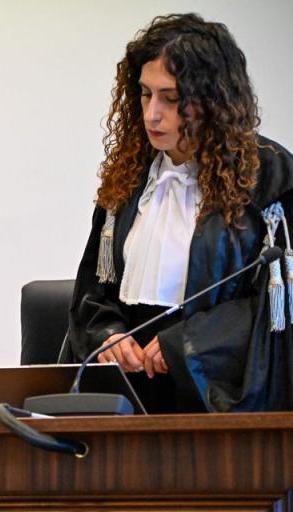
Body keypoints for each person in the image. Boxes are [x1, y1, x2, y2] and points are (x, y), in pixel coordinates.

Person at [68, 14, 293, 412]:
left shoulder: (270, 174)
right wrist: (107, 335)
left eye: (171, 99)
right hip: (128, 392)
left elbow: (278, 302)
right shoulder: (129, 173)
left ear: (214, 101)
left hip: (213, 392)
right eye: (144, 94)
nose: (152, 114)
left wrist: (186, 344)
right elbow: (94, 286)